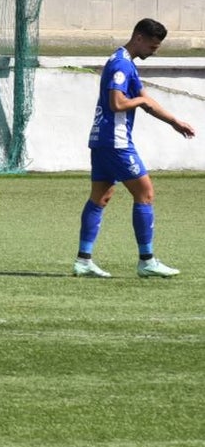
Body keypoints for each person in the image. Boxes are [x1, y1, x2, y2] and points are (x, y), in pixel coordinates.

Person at [73, 18, 195, 278]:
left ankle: (83, 261)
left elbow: (146, 101)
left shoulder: (125, 62)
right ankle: (147, 260)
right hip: (116, 142)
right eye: (153, 46)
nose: (154, 51)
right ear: (139, 38)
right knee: (145, 193)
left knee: (100, 197)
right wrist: (138, 100)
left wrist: (174, 121)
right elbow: (117, 103)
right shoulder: (120, 65)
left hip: (102, 140)